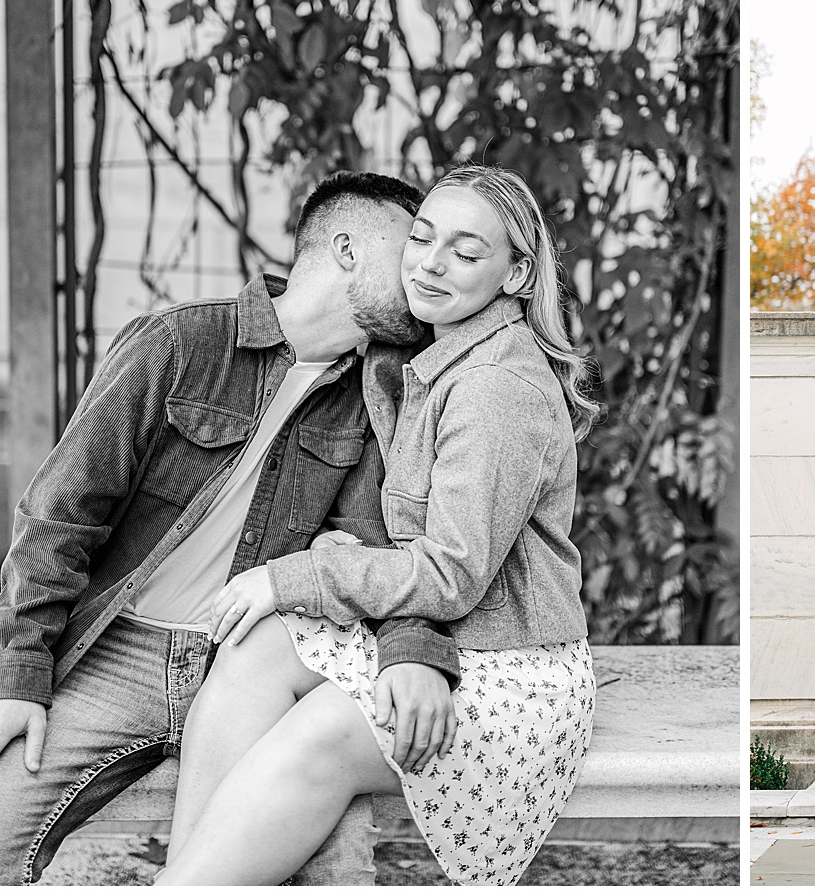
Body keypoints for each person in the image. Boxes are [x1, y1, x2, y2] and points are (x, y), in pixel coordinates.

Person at [0, 172, 460, 885]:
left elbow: (382, 552)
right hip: (119, 652)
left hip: (257, 660)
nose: (423, 267)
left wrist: (413, 652)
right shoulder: (182, 343)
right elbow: (59, 513)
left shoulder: (377, 393)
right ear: (346, 248)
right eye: (411, 241)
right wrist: (14, 677)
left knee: (329, 859)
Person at [155, 164, 599, 888]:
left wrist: (292, 574)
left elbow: (449, 574)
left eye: (465, 250)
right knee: (257, 645)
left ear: (517, 273)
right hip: (464, 645)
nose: (430, 262)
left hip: (514, 676)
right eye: (422, 237)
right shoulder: (428, 358)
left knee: (317, 736)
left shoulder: (495, 388)